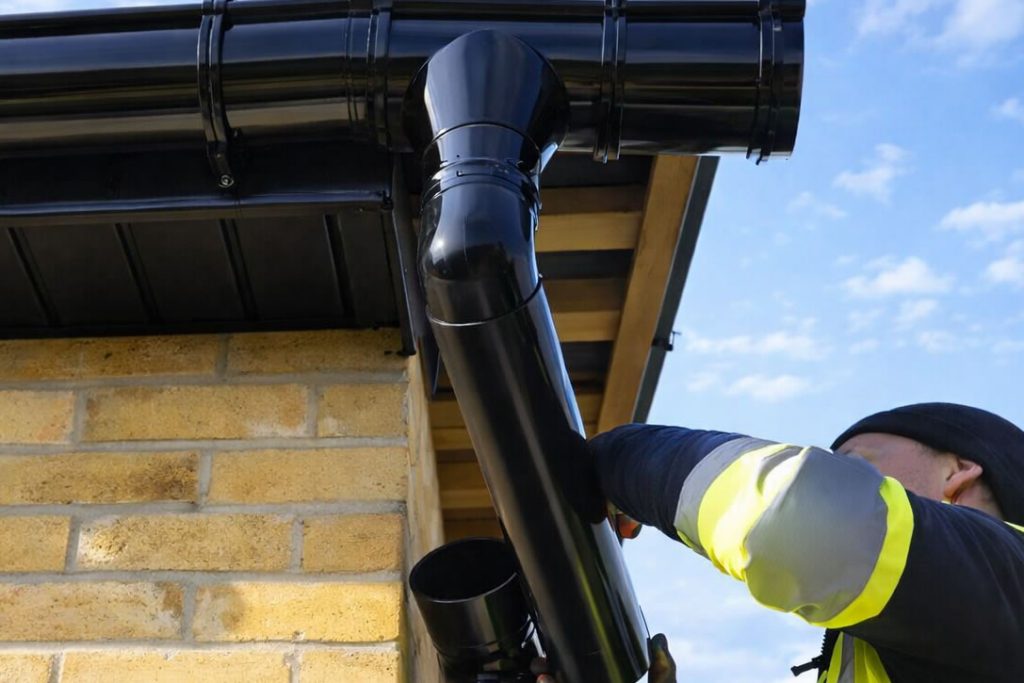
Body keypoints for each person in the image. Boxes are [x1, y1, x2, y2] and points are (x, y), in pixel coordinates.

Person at [588, 402, 1024, 683]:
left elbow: (800, 516)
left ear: (958, 473)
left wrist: (619, 457)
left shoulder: (1010, 572)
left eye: (856, 466)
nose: (846, 481)